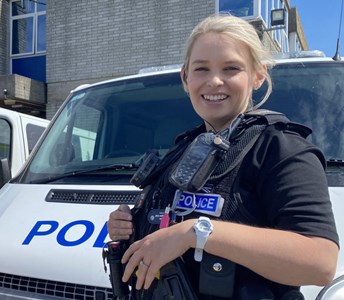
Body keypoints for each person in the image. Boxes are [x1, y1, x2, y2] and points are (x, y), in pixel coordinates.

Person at [107, 14, 339, 299]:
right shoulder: (183, 150)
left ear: (257, 76)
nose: (214, 81)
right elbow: (167, 220)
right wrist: (131, 224)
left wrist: (195, 233)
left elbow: (319, 263)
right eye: (201, 69)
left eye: (231, 68)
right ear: (185, 78)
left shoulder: (281, 148)